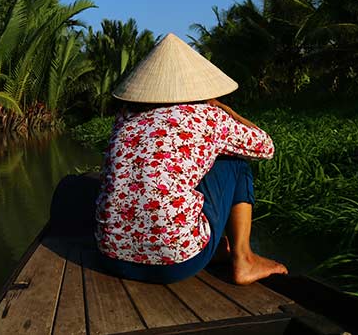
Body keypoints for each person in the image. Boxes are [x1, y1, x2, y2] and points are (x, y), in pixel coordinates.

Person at [94, 33, 288, 285]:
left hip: (111, 256)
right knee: (236, 163)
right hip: (176, 263)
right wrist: (225, 110)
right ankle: (244, 259)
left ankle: (217, 248)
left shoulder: (124, 119)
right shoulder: (207, 116)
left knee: (182, 170)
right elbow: (265, 146)